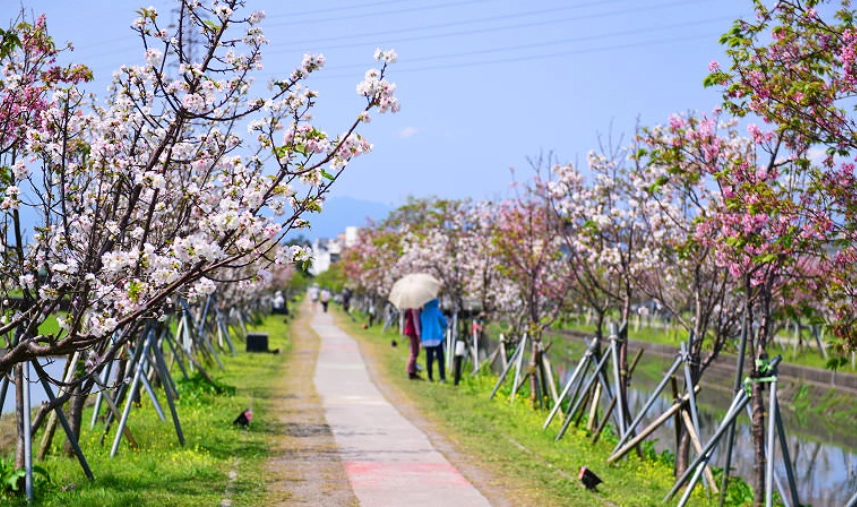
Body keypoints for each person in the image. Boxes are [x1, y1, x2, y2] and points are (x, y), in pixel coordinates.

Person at [419, 298, 447, 382]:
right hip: (437, 338)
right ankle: (442, 377)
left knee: (429, 358)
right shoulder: (436, 311)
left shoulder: (423, 313)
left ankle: (430, 377)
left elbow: (421, 324)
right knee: (440, 358)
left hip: (427, 338)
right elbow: (444, 323)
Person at [402, 308, 422, 380]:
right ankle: (410, 371)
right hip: (413, 331)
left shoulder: (412, 308)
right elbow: (416, 322)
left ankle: (413, 371)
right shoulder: (415, 309)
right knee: (414, 352)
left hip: (411, 331)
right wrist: (418, 334)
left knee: (414, 351)